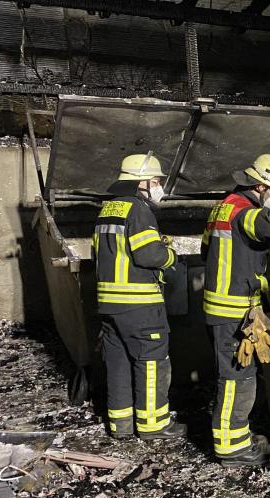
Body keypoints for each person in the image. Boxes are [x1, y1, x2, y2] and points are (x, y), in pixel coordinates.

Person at [201, 154, 270, 467]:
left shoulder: (223, 205)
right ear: (261, 186)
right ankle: (231, 449)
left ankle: (239, 436)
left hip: (223, 305)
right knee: (237, 378)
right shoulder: (243, 210)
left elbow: (205, 248)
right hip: (232, 309)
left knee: (237, 375)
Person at [93, 152, 186, 441]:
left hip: (109, 304)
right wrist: (170, 255)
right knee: (151, 361)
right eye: (156, 180)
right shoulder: (138, 210)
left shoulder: (108, 209)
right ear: (142, 182)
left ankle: (121, 426)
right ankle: (153, 425)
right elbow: (149, 255)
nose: (159, 186)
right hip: (139, 304)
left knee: (118, 363)